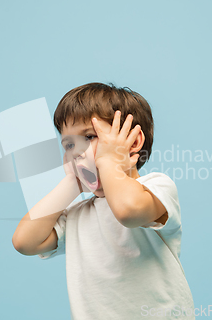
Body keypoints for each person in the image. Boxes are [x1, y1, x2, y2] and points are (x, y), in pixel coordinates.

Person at [12, 82, 195, 319]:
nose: (76, 150)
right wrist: (71, 185)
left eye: (89, 136)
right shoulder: (78, 215)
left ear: (133, 143)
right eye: (68, 144)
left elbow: (127, 211)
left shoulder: (156, 188)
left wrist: (108, 162)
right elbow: (24, 242)